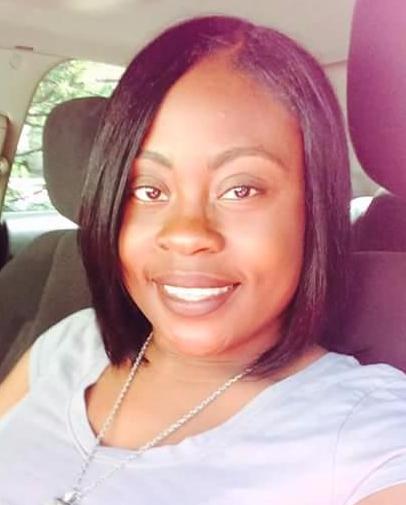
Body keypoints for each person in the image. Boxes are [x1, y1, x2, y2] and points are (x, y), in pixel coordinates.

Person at [0, 15, 405, 505]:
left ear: (313, 208)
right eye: (148, 190)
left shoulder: (372, 430)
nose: (187, 234)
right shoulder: (68, 345)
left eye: (241, 189)